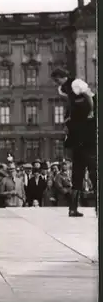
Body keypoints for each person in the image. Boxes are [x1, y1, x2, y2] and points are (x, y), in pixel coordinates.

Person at [51, 68, 97, 216]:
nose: (57, 83)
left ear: (63, 77)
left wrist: (91, 112)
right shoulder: (66, 90)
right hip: (80, 136)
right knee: (80, 171)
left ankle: (83, 207)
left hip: (85, 134)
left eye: (57, 79)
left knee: (90, 169)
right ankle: (73, 208)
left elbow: (89, 97)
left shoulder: (76, 83)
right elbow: (71, 104)